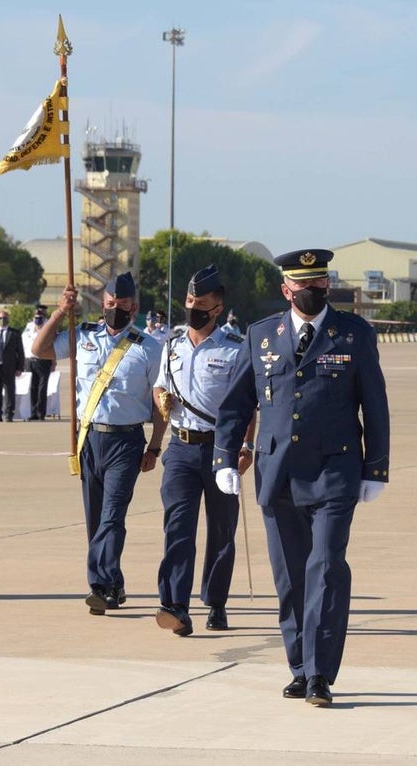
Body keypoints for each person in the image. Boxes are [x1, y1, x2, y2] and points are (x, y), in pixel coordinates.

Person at [213, 249, 390, 707]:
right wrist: (224, 459)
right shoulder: (261, 335)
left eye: (321, 284)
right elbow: (235, 404)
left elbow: (374, 404)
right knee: (290, 578)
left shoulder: (353, 334)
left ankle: (320, 674)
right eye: (303, 286)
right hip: (277, 473)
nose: (313, 292)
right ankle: (299, 665)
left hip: (335, 471)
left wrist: (377, 468)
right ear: (285, 290)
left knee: (326, 569)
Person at [33, 272, 166, 616]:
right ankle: (113, 581)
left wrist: (154, 446)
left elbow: (159, 403)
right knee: (95, 518)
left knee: (111, 516)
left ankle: (101, 586)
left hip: (127, 441)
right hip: (89, 438)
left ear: (134, 307)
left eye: (121, 306)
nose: (114, 311)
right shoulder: (84, 336)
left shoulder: (149, 347)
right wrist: (61, 312)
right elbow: (40, 349)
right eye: (109, 305)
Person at [152, 266, 255, 637]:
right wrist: (160, 400)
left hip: (220, 449)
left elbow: (247, 404)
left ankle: (216, 600)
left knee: (221, 528)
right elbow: (160, 387)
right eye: (190, 301)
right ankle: (175, 604)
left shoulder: (234, 349)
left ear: (217, 308)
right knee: (177, 525)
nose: (193, 308)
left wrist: (246, 446)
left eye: (202, 303)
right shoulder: (172, 346)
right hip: (180, 447)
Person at [21, 306, 53, 421]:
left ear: (43, 317)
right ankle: (33, 412)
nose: (37, 319)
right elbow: (24, 343)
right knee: (33, 388)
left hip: (43, 361)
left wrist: (53, 362)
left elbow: (52, 344)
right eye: (36, 317)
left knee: (42, 388)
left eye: (40, 317)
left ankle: (41, 413)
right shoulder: (29, 327)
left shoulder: (48, 327)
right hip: (29, 361)